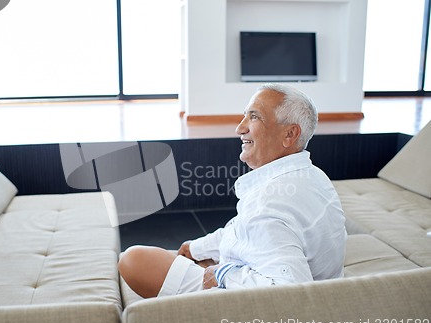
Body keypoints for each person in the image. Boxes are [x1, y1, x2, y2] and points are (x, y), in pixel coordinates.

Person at [118, 83, 347, 298]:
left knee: (133, 260)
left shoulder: (269, 206)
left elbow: (290, 292)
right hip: (271, 271)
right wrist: (198, 248)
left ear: (290, 134)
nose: (240, 127)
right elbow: (244, 232)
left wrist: (220, 274)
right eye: (245, 115)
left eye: (254, 116)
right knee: (169, 256)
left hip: (249, 302)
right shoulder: (315, 177)